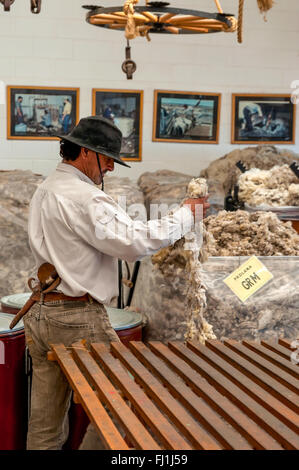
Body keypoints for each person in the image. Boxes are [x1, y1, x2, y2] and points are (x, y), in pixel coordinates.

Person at [23, 115, 210, 450]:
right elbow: (133, 243)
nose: (110, 168)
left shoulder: (47, 187)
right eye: (107, 158)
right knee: (123, 408)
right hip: (76, 317)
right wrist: (187, 215)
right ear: (84, 153)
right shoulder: (85, 197)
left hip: (41, 313)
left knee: (45, 424)